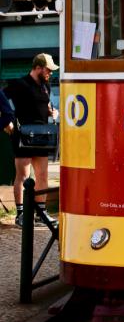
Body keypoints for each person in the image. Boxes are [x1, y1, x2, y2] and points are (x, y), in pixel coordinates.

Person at [4, 53, 59, 228]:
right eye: (48, 69)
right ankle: (21, 214)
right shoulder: (19, 84)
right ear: (38, 67)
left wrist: (53, 112)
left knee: (42, 175)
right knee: (23, 175)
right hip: (23, 135)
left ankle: (41, 213)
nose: (50, 73)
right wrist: (5, 120)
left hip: (42, 136)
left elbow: (45, 105)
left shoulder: (46, 86)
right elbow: (1, 98)